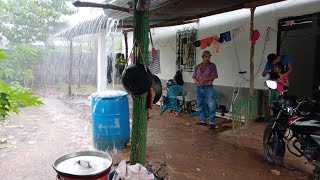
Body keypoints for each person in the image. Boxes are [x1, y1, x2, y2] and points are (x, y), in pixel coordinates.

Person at [192, 50, 218, 129]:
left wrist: (205, 79)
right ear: (202, 57)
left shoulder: (212, 65)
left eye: (209, 57)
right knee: (200, 104)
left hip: (208, 87)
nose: (208, 58)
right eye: (206, 57)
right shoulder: (198, 67)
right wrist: (196, 81)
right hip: (199, 88)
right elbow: (193, 76)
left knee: (211, 104)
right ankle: (202, 120)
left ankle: (212, 122)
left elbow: (215, 76)